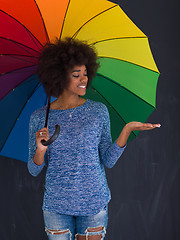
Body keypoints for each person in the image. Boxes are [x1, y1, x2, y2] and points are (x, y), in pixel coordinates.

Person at [27, 38, 160, 240]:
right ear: (58, 77)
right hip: (56, 206)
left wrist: (126, 130)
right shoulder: (39, 117)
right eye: (76, 75)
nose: (84, 80)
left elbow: (108, 160)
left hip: (93, 203)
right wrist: (40, 149)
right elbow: (34, 169)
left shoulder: (98, 112)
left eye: (86, 74)